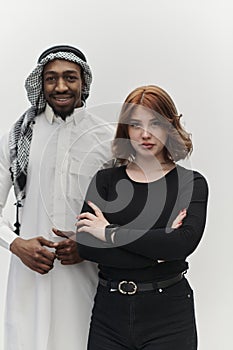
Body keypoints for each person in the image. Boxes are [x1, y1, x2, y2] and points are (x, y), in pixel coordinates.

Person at [75, 85, 209, 350]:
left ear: (170, 127)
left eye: (155, 124)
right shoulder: (106, 181)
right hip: (108, 314)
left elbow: (182, 244)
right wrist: (157, 248)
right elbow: (86, 246)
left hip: (169, 314)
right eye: (135, 125)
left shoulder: (190, 182)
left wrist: (110, 233)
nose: (145, 134)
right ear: (126, 129)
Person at [0, 45, 114, 350]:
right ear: (40, 83)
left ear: (83, 83)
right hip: (29, 278)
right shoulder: (18, 136)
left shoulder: (106, 139)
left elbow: (123, 213)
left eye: (70, 77)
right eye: (51, 78)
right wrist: (16, 244)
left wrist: (89, 247)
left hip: (86, 277)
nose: (61, 86)